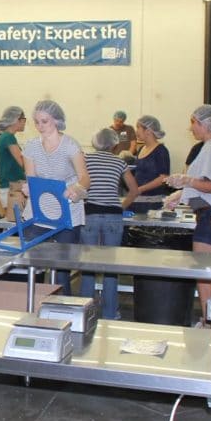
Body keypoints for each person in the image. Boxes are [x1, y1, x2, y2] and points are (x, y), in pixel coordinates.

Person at [167, 105, 211, 326]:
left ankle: (209, 320)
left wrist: (186, 180)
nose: (191, 128)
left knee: (205, 273)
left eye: (194, 123)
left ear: (205, 125)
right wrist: (181, 192)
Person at [22, 100, 89, 295]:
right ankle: (35, 306)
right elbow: (31, 178)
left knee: (61, 270)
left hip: (67, 211)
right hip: (39, 212)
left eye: (45, 121)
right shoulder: (31, 147)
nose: (40, 126)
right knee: (34, 265)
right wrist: (28, 188)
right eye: (37, 122)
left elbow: (85, 177)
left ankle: (64, 308)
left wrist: (76, 188)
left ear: (57, 121)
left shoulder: (70, 146)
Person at [79, 128, 139, 319]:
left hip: (89, 215)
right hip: (113, 216)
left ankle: (84, 311)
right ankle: (110, 313)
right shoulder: (120, 162)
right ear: (114, 144)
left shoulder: (85, 160)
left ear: (94, 142)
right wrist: (120, 206)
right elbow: (134, 190)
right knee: (111, 267)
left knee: (87, 266)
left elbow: (77, 185)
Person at [130, 115, 170, 208]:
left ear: (148, 131)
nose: (136, 132)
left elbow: (163, 178)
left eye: (138, 128)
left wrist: (140, 189)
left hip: (153, 201)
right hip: (138, 199)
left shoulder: (161, 151)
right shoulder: (141, 149)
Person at [0, 106, 27, 214]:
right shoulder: (9, 137)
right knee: (13, 223)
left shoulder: (6, 136)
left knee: (11, 223)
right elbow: (22, 162)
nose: (24, 123)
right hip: (10, 187)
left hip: (9, 187)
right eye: (23, 119)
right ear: (16, 120)